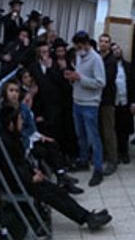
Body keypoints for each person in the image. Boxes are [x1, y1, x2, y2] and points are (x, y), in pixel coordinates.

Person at [0, 105, 112, 231]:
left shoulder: (13, 136)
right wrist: (31, 178)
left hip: (25, 177)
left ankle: (86, 216)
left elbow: (21, 161)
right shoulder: (5, 142)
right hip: (17, 182)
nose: (22, 121)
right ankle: (86, 217)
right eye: (19, 119)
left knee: (58, 191)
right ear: (11, 124)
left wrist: (34, 171)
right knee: (51, 196)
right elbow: (11, 168)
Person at [65, 31, 106, 187]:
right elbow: (79, 76)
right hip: (77, 101)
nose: (77, 49)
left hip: (90, 104)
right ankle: (83, 161)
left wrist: (80, 78)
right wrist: (72, 77)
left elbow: (100, 83)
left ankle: (98, 169)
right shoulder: (78, 56)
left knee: (93, 138)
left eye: (79, 46)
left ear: (86, 44)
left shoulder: (96, 59)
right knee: (80, 135)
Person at [29, 42, 64, 140]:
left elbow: (59, 80)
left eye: (47, 52)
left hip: (54, 102)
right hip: (40, 101)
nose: (45, 54)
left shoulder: (55, 64)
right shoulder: (34, 66)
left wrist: (49, 68)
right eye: (43, 52)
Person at [51, 38, 78, 160]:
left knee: (69, 127)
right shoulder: (52, 64)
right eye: (59, 51)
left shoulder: (69, 63)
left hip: (69, 99)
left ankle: (71, 153)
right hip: (57, 100)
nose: (61, 54)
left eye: (63, 51)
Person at [97, 34, 118, 176]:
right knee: (99, 130)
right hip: (95, 99)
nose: (103, 44)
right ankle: (103, 155)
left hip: (107, 100)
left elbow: (107, 79)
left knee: (108, 131)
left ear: (110, 44)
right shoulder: (96, 57)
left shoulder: (112, 60)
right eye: (101, 41)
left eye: (106, 42)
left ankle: (112, 160)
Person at [111, 42, 135, 164]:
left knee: (124, 130)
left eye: (118, 49)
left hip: (125, 102)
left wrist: (133, 102)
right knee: (113, 129)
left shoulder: (128, 66)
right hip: (112, 103)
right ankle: (114, 153)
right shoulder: (108, 66)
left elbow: (134, 85)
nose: (117, 51)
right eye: (114, 49)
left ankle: (124, 152)